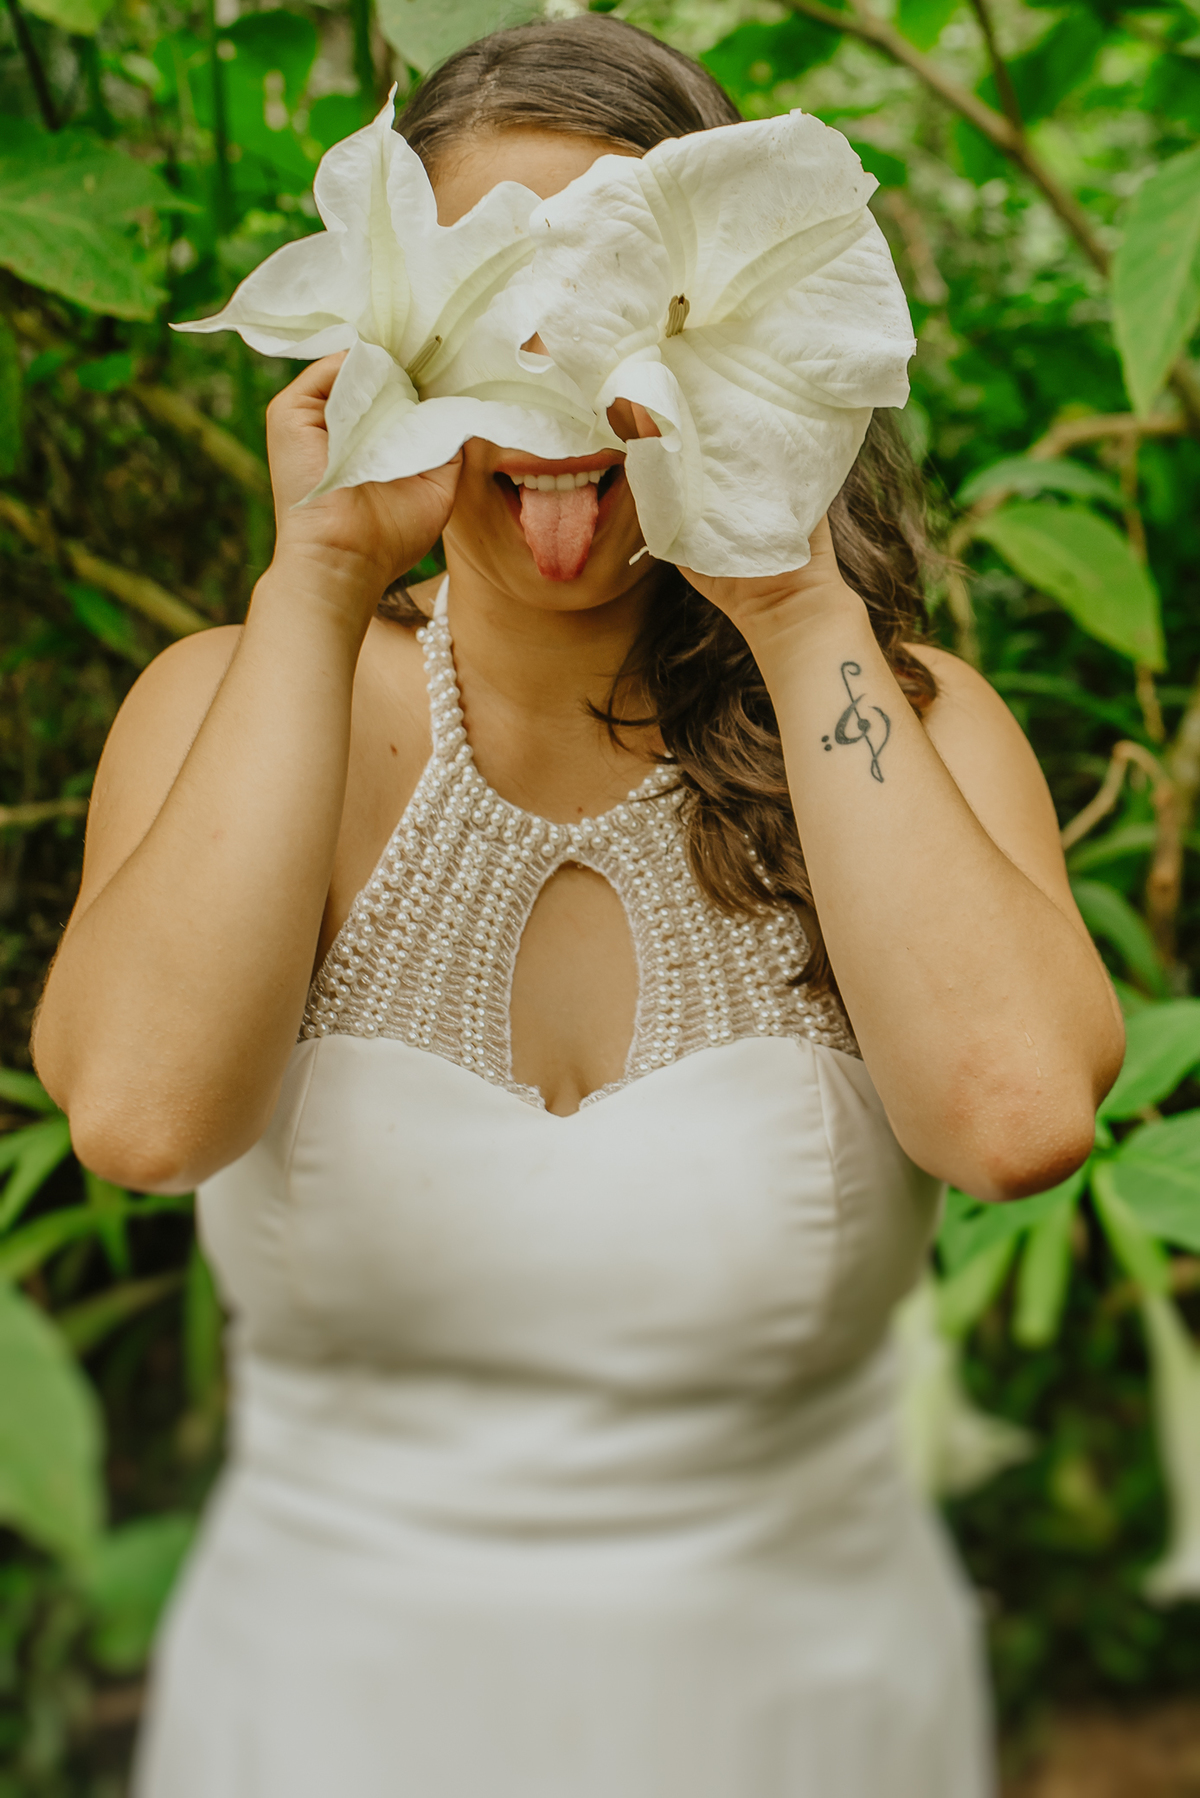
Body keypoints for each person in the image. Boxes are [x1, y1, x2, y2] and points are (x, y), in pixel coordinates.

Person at [32, 16, 1123, 1797]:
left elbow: (1013, 1118)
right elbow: (144, 1114)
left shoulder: (898, 729)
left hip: (807, 1732)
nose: (557, 382)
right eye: (497, 303)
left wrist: (795, 602)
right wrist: (318, 579)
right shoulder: (232, 702)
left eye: (614, 298)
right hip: (319, 1729)